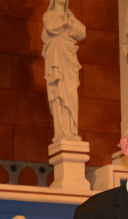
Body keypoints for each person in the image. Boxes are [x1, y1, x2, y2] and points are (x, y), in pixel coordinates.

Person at [42, 0, 86, 142]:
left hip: (69, 61)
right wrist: (66, 24)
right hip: (56, 59)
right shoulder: (49, 15)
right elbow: (50, 26)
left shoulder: (70, 17)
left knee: (71, 93)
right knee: (59, 93)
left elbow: (82, 33)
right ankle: (62, 132)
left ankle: (71, 131)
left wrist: (69, 23)